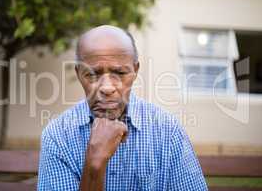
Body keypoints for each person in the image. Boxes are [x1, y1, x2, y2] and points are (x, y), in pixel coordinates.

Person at [37, 25, 208, 191]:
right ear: (79, 74)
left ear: (135, 71)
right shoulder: (57, 136)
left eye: (119, 73)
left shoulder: (168, 131)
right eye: (92, 74)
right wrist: (94, 165)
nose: (107, 87)